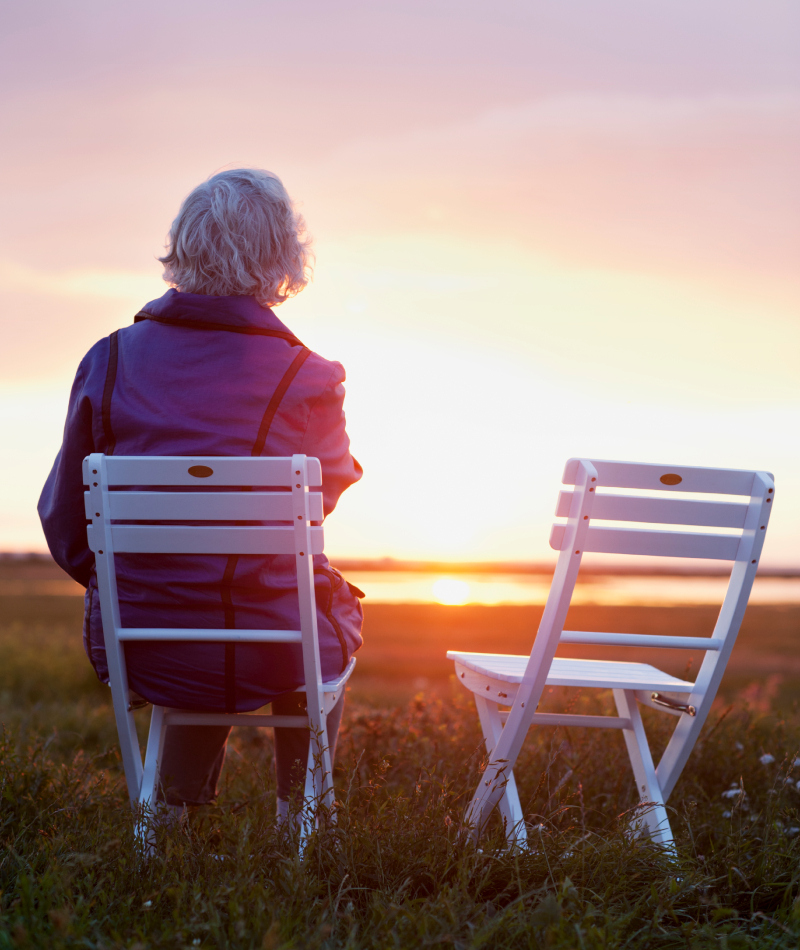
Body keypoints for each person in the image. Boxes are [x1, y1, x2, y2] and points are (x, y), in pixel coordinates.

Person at [38, 168, 364, 824]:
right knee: (316, 606)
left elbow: (64, 517)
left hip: (141, 641)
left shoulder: (109, 360)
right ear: (282, 257)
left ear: (182, 246)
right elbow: (318, 501)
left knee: (201, 605)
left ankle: (171, 812)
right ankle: (297, 817)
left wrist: (136, 581)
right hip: (271, 639)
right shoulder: (309, 378)